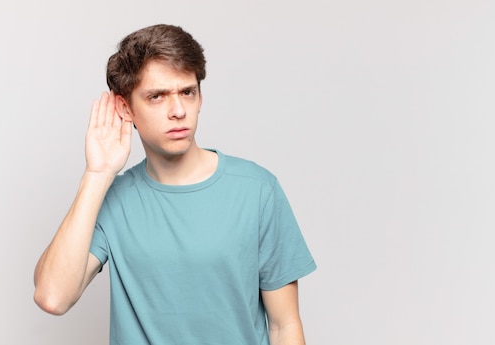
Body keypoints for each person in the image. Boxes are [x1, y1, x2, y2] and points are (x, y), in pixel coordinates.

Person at [33, 23, 317, 345]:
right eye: (157, 96)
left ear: (199, 97)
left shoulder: (257, 190)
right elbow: (52, 296)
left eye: (187, 92)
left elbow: (285, 325)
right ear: (126, 108)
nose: (179, 111)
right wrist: (97, 175)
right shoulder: (113, 200)